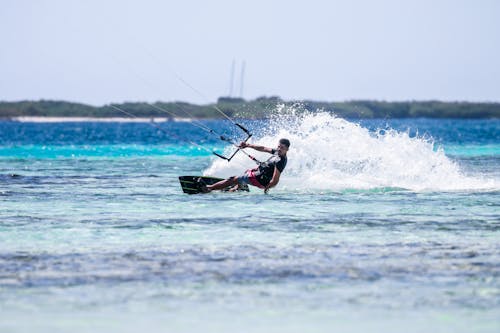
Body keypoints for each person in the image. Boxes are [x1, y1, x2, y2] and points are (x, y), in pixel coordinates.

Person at [199, 138, 290, 194]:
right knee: (247, 171)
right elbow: (263, 148)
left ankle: (208, 188)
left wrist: (267, 189)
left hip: (259, 179)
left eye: (282, 148)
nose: (279, 149)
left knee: (233, 179)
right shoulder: (277, 152)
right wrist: (248, 145)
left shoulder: (281, 161)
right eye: (278, 146)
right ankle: (237, 188)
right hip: (259, 174)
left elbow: (275, 180)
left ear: (287, 149)